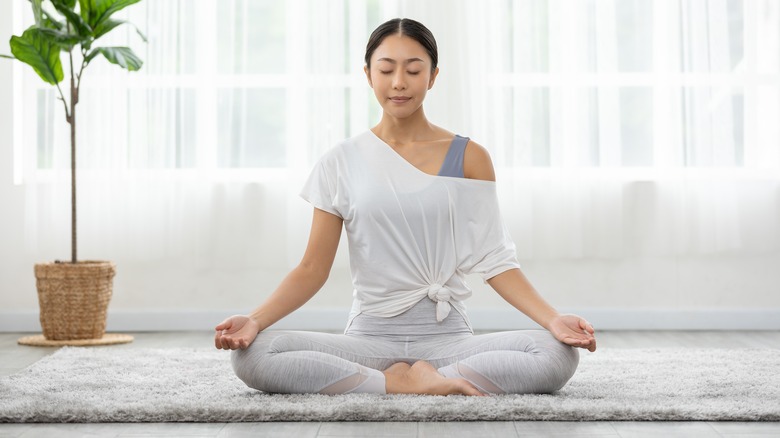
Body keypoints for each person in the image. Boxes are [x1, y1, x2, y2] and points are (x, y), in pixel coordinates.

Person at [214, 18, 596, 396]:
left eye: (414, 70)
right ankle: (397, 382)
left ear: (432, 76)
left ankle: (406, 380)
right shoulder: (341, 161)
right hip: (369, 341)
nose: (399, 82)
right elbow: (312, 268)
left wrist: (553, 319)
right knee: (256, 354)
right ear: (368, 75)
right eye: (386, 69)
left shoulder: (468, 157)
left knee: (554, 353)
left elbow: (495, 260)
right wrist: (255, 320)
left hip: (448, 342)